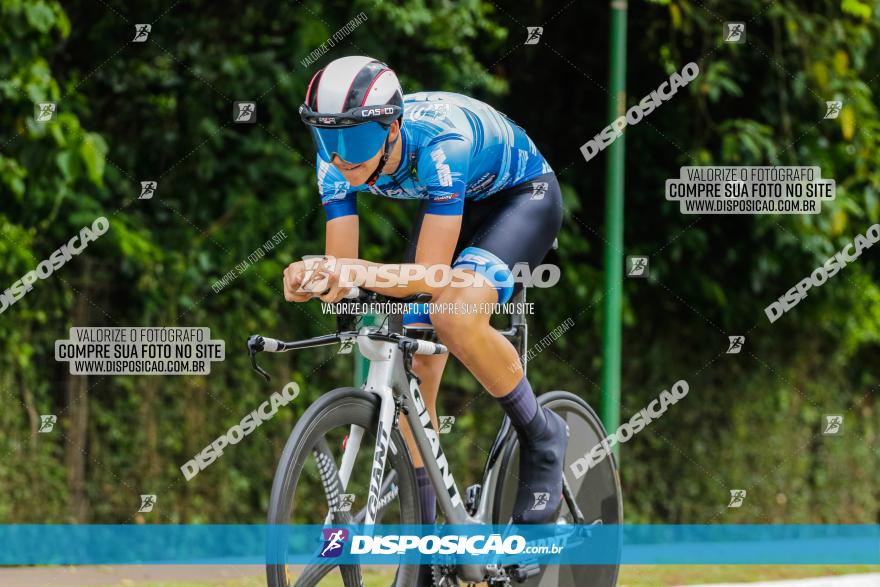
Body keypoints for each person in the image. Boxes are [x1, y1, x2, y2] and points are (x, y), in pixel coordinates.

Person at [282, 55, 567, 532]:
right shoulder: (334, 159)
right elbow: (345, 275)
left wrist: (351, 271)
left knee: (453, 316)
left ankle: (541, 435)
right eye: (326, 137)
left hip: (519, 198)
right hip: (449, 201)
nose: (338, 156)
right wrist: (315, 279)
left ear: (391, 128)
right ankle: (429, 536)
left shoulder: (440, 143)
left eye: (352, 140)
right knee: (416, 359)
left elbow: (432, 276)